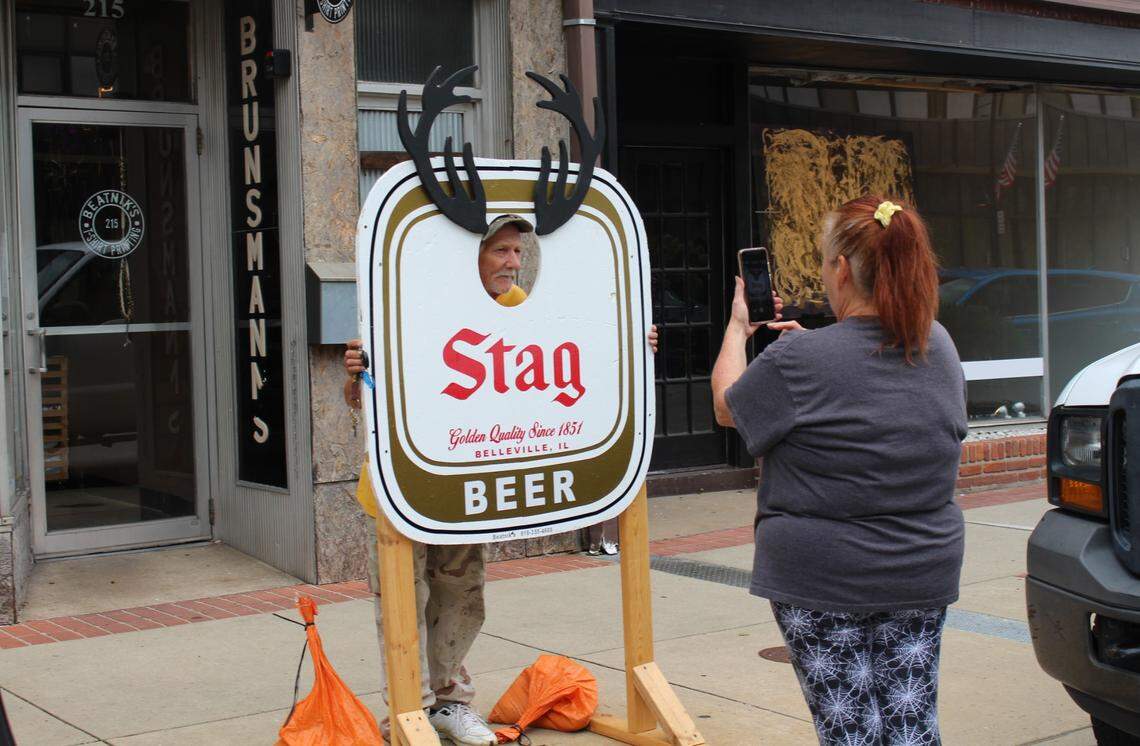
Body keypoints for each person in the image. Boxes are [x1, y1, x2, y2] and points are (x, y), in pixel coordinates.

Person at [345, 214, 658, 744]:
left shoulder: (518, 310)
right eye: (501, 252)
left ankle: (448, 701)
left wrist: (628, 346)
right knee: (403, 600)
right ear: (471, 256)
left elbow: (577, 341)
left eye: (517, 252)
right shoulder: (411, 302)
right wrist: (356, 374)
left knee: (463, 593)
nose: (514, 264)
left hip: (473, 484)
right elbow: (362, 405)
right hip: (406, 488)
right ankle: (410, 706)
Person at [711, 196, 967, 746]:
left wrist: (739, 327)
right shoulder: (937, 344)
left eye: (827, 261)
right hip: (921, 570)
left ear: (844, 270)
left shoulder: (798, 361)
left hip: (822, 576)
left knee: (850, 730)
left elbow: (727, 406)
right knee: (911, 724)